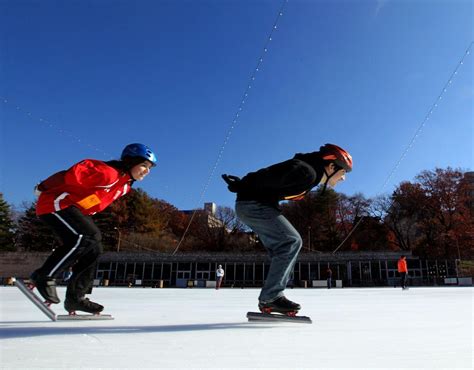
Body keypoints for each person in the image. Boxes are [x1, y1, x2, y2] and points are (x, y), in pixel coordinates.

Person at [222, 143, 353, 314]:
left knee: (284, 247)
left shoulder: (310, 174)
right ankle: (271, 297)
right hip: (253, 205)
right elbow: (267, 175)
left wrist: (244, 185)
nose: (343, 178)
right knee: (291, 241)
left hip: (255, 205)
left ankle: (272, 298)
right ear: (331, 166)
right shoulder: (305, 171)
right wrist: (243, 184)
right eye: (343, 172)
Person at [30, 143, 157, 314]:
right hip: (56, 203)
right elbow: (68, 175)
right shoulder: (107, 172)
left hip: (73, 209)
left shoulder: (124, 186)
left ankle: (76, 298)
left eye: (149, 167)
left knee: (94, 248)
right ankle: (44, 276)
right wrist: (42, 187)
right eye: (143, 165)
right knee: (88, 236)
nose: (146, 171)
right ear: (130, 161)